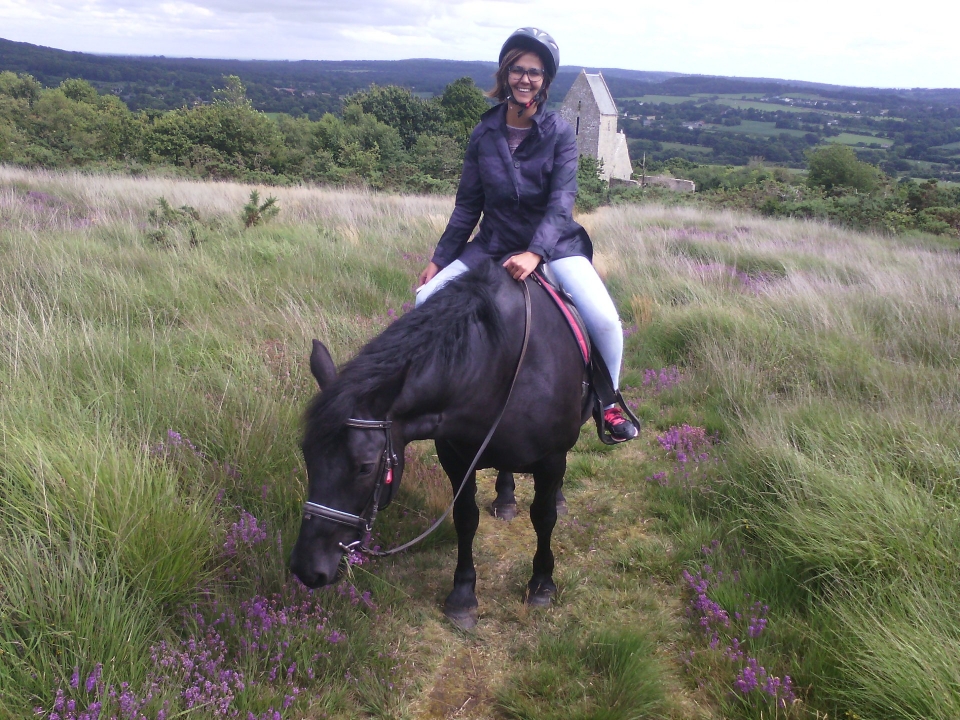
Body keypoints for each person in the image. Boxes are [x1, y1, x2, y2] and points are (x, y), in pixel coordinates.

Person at [416, 27, 637, 443]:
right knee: (424, 299)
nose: (525, 79)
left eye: (534, 72)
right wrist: (439, 258)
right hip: (494, 243)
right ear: (505, 75)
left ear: (545, 81)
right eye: (517, 69)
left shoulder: (559, 133)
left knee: (607, 322)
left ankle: (607, 404)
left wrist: (536, 252)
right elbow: (468, 206)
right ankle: (438, 394)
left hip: (556, 246)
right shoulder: (483, 133)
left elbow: (561, 202)